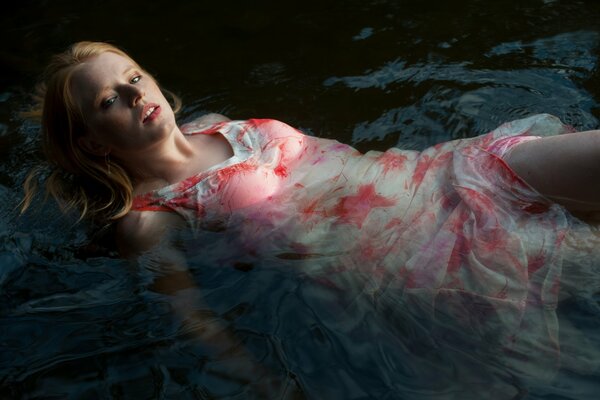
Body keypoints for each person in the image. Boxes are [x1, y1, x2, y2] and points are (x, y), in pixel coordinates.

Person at [21, 41, 600, 390]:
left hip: (442, 173)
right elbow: (198, 325)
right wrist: (271, 389)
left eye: (132, 76)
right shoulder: (149, 221)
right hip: (417, 255)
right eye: (107, 102)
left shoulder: (220, 121)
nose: (133, 94)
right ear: (94, 143)